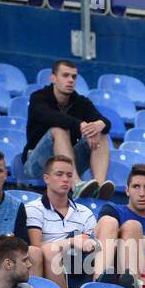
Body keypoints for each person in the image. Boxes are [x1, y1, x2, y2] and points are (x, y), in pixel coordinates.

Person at [23, 59, 113, 198]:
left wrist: (100, 124)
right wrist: (79, 124)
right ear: (53, 78)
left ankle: (99, 188)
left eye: (73, 76)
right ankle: (76, 184)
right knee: (59, 128)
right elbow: (51, 117)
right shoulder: (38, 98)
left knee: (100, 134)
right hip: (37, 164)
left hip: (66, 160)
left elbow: (104, 121)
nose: (70, 80)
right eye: (65, 75)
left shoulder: (81, 102)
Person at [25, 154, 100, 288]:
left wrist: (88, 243)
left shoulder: (85, 212)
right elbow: (37, 247)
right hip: (48, 266)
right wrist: (72, 241)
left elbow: (96, 246)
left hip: (81, 264)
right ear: (46, 178)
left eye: (69, 175)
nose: (65, 179)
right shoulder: (33, 209)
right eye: (59, 174)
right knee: (48, 251)